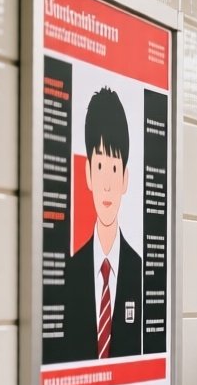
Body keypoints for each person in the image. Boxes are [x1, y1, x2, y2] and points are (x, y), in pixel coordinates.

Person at [61, 88, 144, 361]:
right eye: (99, 167)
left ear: (125, 179)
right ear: (87, 174)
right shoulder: (70, 272)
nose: (107, 184)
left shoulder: (140, 271)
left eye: (114, 168)